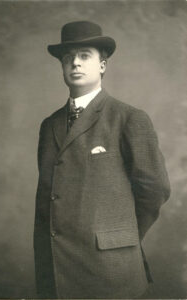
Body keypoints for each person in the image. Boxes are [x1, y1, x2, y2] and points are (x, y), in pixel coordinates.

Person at [34, 21, 171, 299]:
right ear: (62, 67)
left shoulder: (129, 118)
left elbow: (155, 190)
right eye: (68, 58)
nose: (75, 63)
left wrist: (121, 237)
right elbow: (47, 199)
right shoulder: (50, 125)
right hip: (58, 268)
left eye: (85, 55)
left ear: (102, 66)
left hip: (110, 269)